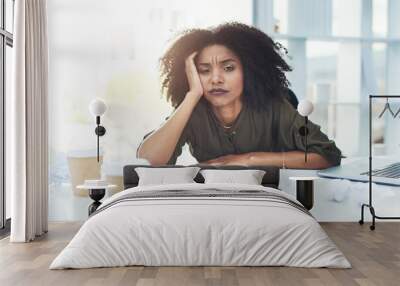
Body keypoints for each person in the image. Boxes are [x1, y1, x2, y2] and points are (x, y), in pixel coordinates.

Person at [137, 22, 342, 169]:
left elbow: (327, 154)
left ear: (248, 70)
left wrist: (249, 159)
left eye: (228, 68)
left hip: (270, 197)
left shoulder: (275, 106)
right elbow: (148, 161)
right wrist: (192, 95)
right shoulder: (193, 110)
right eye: (204, 70)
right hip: (216, 200)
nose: (216, 79)